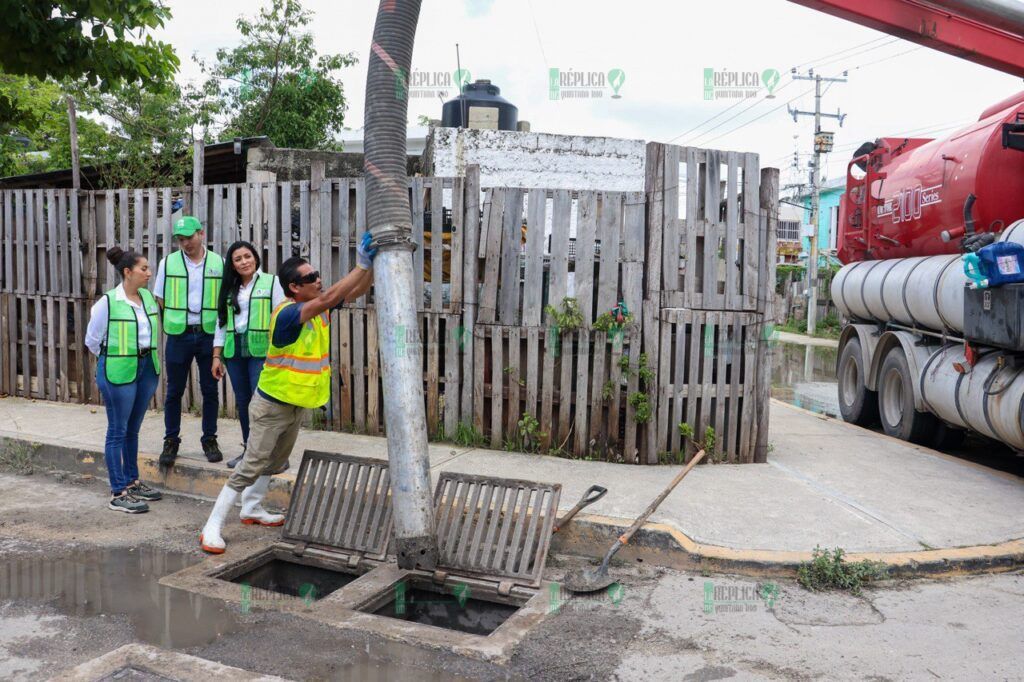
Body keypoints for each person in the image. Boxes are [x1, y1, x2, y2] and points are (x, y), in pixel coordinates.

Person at [199, 234, 377, 553]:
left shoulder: (316, 308)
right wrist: (359, 263)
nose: (319, 280)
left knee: (276, 461)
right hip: (271, 405)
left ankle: (251, 508)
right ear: (295, 287)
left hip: (295, 404)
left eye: (318, 275)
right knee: (251, 464)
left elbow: (356, 291)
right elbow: (330, 296)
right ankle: (212, 525)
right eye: (311, 278)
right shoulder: (288, 314)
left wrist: (371, 267)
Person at [85, 247, 164, 513]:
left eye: (149, 268)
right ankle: (118, 492)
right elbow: (92, 341)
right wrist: (113, 359)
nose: (149, 273)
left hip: (145, 368)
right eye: (144, 269)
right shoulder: (107, 302)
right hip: (118, 369)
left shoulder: (148, 298)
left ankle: (132, 481)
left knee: (133, 429)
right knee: (117, 431)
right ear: (127, 272)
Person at [153, 216, 225, 467]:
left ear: (201, 234)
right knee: (174, 391)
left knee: (210, 390)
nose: (185, 243)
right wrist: (174, 320)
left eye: (189, 237)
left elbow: (224, 300)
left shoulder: (219, 262)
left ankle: (209, 439)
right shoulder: (168, 263)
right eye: (181, 239)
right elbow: (159, 297)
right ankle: (171, 440)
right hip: (179, 333)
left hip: (207, 332)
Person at [211, 241, 286, 468]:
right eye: (238, 259)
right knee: (243, 403)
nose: (244, 262)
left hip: (262, 352)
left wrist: (279, 353)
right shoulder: (229, 288)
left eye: (247, 256)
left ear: (255, 258)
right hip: (235, 352)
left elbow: (281, 316)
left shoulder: (272, 282)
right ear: (232, 265)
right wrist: (217, 356)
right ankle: (249, 452)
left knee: (264, 404)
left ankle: (276, 457)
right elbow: (221, 323)